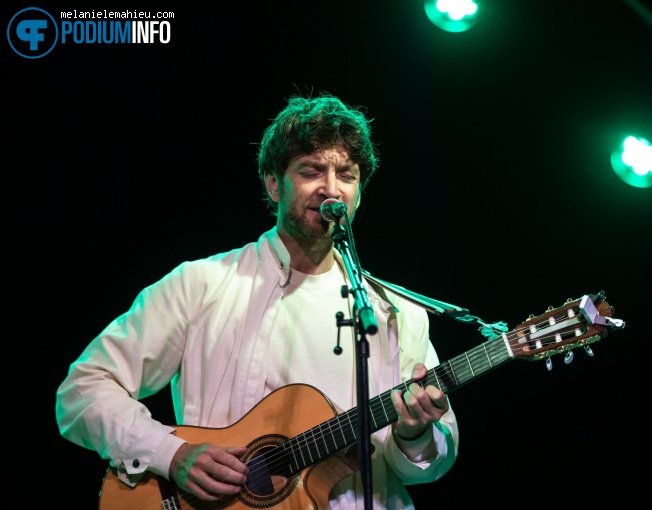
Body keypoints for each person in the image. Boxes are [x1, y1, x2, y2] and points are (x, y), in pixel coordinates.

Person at [56, 92, 459, 509]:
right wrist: (169, 453)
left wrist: (415, 434)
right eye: (312, 170)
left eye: (347, 175)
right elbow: (82, 390)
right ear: (273, 182)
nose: (331, 188)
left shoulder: (396, 313)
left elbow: (426, 465)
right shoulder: (201, 284)